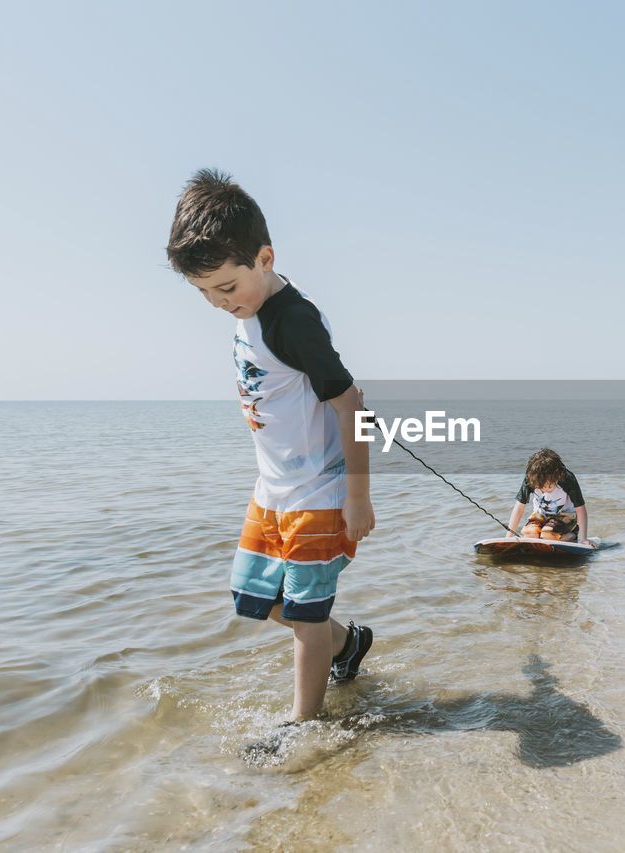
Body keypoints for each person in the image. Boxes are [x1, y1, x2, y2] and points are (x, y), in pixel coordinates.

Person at [166, 169, 375, 723]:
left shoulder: (293, 322)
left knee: (305, 621)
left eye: (225, 288)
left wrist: (358, 497)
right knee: (257, 598)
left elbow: (350, 403)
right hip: (275, 487)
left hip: (320, 490)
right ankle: (347, 644)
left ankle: (303, 726)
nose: (216, 302)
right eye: (203, 292)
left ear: (264, 258)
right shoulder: (249, 306)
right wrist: (233, 296)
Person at [506, 448, 594, 547]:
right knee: (531, 535)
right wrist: (509, 536)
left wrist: (583, 539)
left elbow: (580, 509)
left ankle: (573, 534)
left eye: (548, 487)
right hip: (541, 515)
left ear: (558, 476)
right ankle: (541, 534)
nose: (544, 491)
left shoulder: (567, 478)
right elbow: (519, 508)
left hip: (565, 516)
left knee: (547, 535)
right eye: (540, 488)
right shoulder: (531, 478)